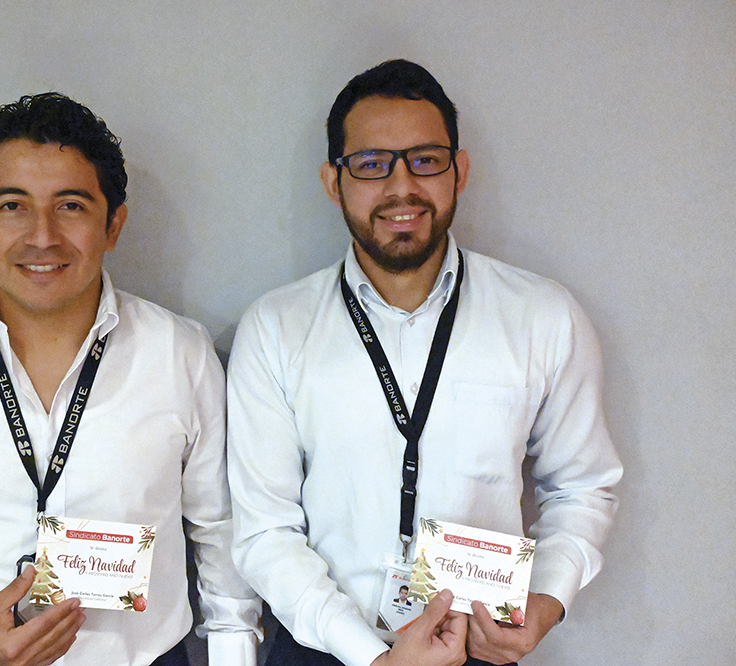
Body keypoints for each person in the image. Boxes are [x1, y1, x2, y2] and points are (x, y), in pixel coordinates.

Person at [0, 93, 261, 666]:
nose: (42, 236)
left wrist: (233, 655)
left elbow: (221, 530)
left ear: (113, 225)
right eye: (12, 206)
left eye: (71, 206)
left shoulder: (182, 354)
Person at [226, 59, 622, 666]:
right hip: (323, 650)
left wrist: (545, 601)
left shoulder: (543, 317)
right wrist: (373, 657)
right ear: (334, 181)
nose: (402, 186)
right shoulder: (275, 329)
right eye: (371, 164)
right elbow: (265, 530)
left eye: (426, 159)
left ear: (459, 171)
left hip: (480, 648)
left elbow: (582, 488)